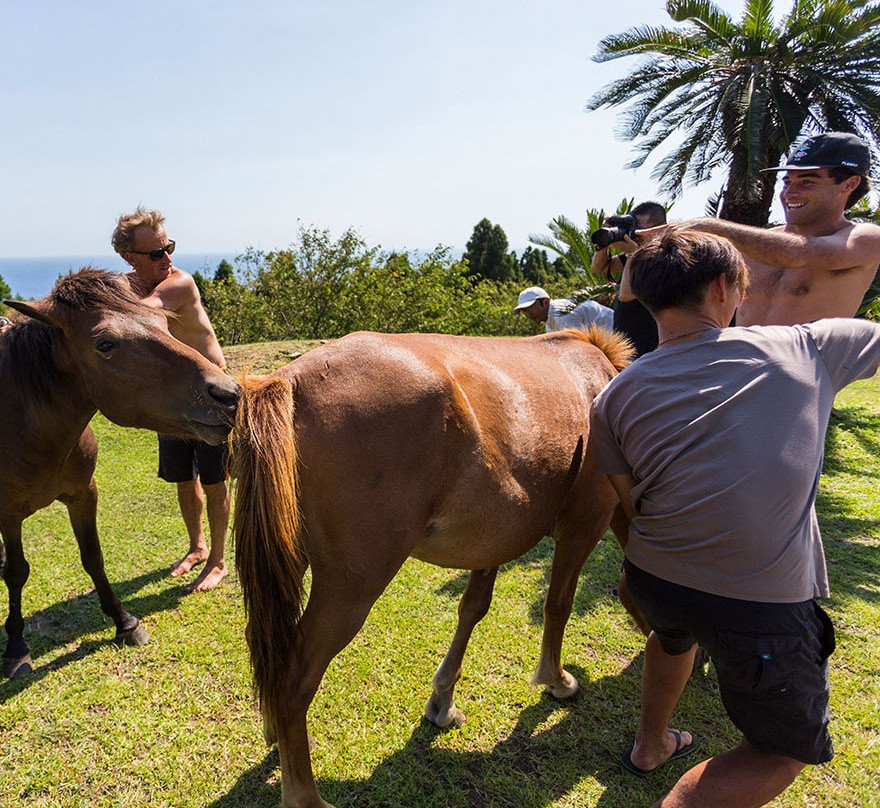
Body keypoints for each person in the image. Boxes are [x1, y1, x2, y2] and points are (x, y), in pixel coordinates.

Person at [590, 230, 880, 807]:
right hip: (759, 600)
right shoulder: (808, 348)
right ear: (726, 287)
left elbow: (632, 503)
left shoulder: (616, 394)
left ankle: (651, 745)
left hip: (653, 579)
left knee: (672, 639)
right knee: (779, 752)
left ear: (645, 299)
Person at [642, 132, 880, 327]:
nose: (789, 193)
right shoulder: (759, 244)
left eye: (807, 182)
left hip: (801, 373)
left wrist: (710, 227)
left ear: (849, 184)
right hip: (738, 365)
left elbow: (801, 253)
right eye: (787, 182)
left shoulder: (865, 238)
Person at [111, 207, 230, 593]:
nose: (168, 258)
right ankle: (196, 547)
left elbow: (140, 317)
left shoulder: (179, 284)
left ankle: (218, 560)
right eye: (156, 253)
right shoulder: (127, 285)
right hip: (175, 401)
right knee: (184, 478)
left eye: (169, 247)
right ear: (131, 258)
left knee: (215, 482)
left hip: (212, 397)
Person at [591, 201, 668, 356]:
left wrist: (634, 252)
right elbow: (599, 268)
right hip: (624, 349)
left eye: (640, 230)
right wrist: (604, 243)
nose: (634, 234)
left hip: (650, 351)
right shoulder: (638, 253)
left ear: (660, 229)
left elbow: (631, 292)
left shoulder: (666, 258)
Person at [514, 286, 613, 331]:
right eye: (524, 310)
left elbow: (581, 349)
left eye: (531, 307)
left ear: (545, 302)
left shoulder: (563, 314)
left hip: (621, 330)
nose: (528, 314)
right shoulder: (549, 325)